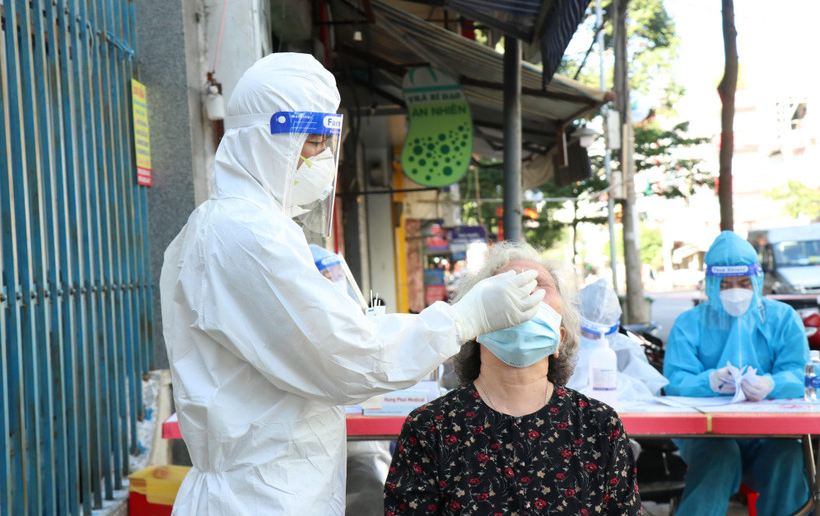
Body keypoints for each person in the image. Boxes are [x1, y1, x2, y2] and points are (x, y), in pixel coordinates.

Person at [159, 53, 548, 515]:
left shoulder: (240, 227)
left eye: (327, 143)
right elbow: (348, 357)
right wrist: (465, 318)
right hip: (257, 498)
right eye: (311, 143)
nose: (323, 159)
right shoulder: (244, 235)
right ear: (265, 139)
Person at [383, 242, 642, 514]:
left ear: (559, 338)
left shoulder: (600, 427)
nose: (523, 294)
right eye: (507, 285)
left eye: (538, 284)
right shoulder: (429, 429)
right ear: (475, 325)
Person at [663, 230, 810, 515]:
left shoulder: (783, 318)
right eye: (725, 284)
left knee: (787, 457)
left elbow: (800, 373)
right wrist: (709, 382)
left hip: (771, 433)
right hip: (708, 435)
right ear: (710, 284)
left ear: (757, 280)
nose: (735, 292)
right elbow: (675, 380)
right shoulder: (689, 323)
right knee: (719, 456)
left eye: (743, 283)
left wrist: (772, 384)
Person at [567, 278, 668, 402]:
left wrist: (621, 386)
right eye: (589, 334)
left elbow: (650, 390)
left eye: (601, 335)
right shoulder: (564, 348)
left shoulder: (626, 347)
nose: (597, 339)